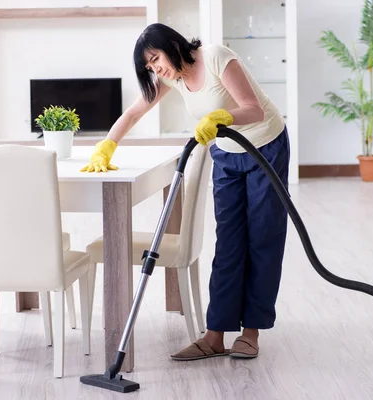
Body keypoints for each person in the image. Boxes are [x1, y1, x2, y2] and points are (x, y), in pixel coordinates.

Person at [80, 23, 290, 360]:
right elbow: (134, 112)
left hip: (265, 146)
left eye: (155, 58)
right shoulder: (171, 78)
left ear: (171, 44)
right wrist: (106, 146)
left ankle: (251, 333)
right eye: (149, 67)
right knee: (229, 242)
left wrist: (222, 115)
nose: (156, 68)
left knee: (262, 239)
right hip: (226, 154)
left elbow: (254, 109)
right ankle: (214, 336)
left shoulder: (217, 57)